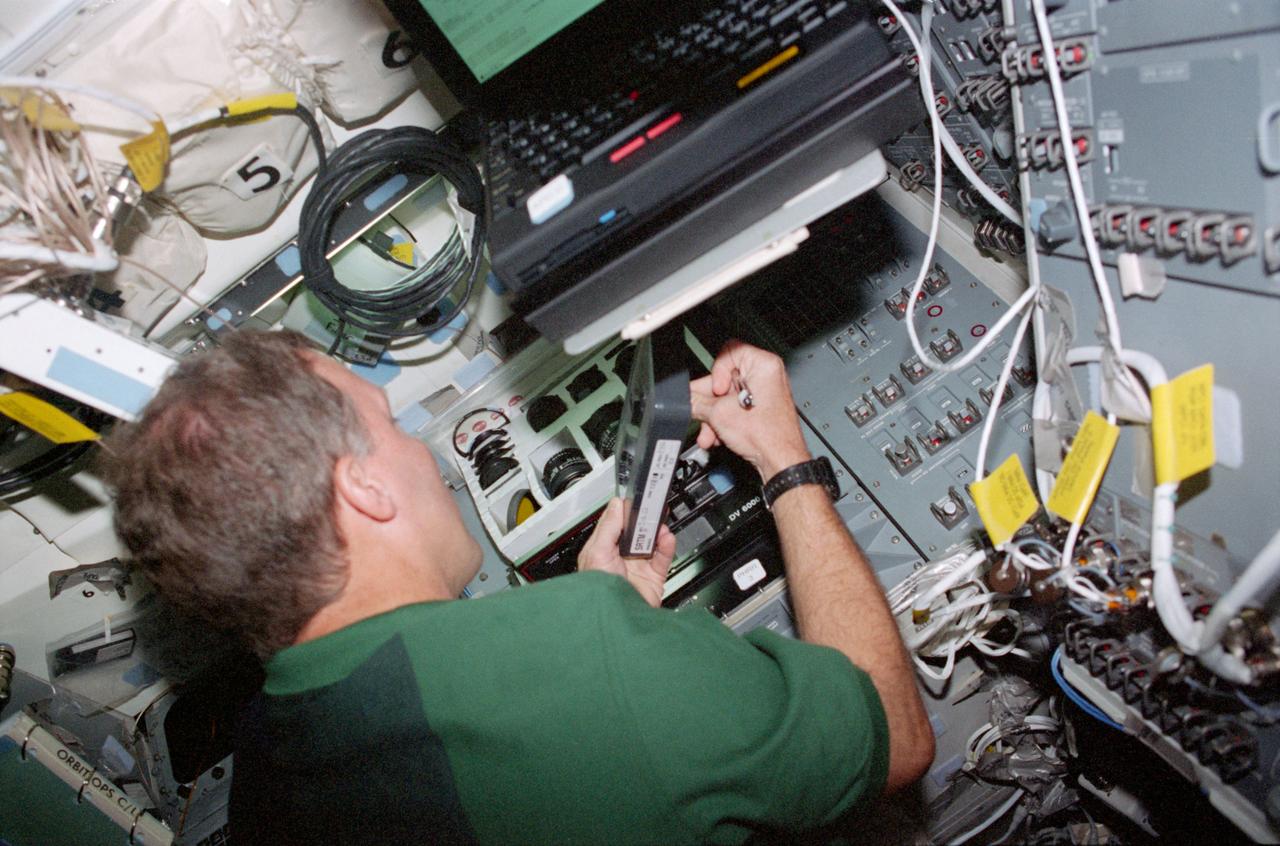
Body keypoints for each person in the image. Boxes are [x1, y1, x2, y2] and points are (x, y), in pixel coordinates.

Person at [103, 330, 933, 845]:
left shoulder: (262, 780)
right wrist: (789, 465)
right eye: (393, 428)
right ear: (365, 490)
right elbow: (895, 740)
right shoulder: (584, 651)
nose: (421, 454)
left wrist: (598, 606)